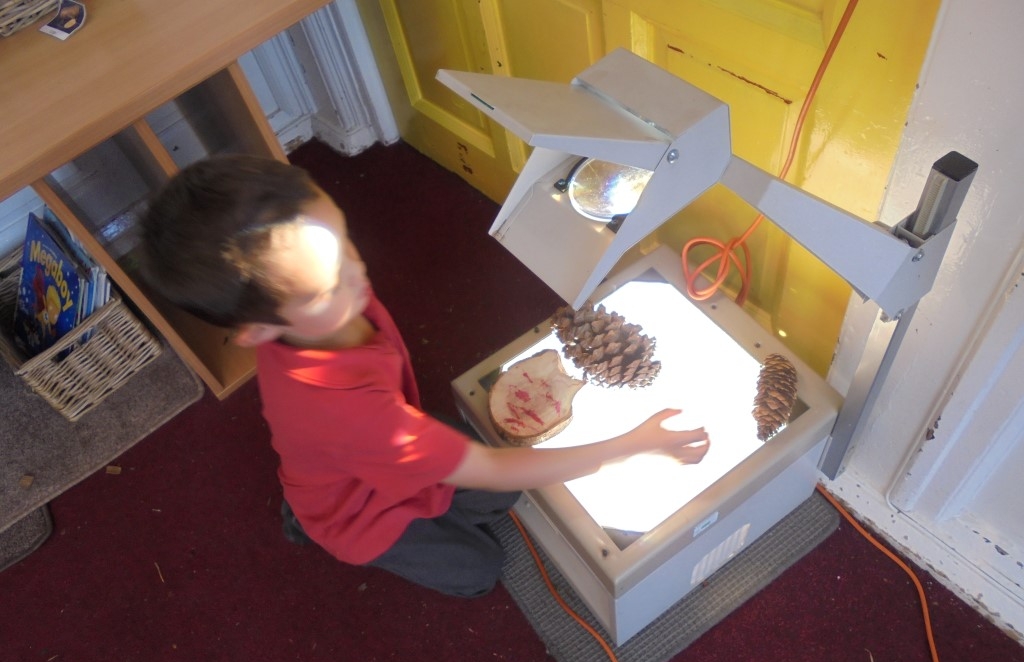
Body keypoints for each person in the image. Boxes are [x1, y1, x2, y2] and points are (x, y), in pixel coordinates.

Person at [140, 155, 711, 598]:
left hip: (376, 441)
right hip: (355, 513)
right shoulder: (351, 414)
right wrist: (633, 445)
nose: (356, 275)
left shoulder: (313, 308)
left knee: (504, 491)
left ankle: (370, 491)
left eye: (341, 244)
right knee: (482, 566)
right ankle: (307, 522)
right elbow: (487, 466)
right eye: (324, 288)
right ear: (259, 331)